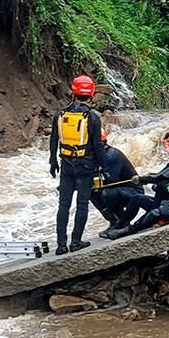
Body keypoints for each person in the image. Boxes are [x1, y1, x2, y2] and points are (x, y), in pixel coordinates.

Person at [106, 128, 169, 239]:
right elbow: (163, 176)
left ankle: (128, 231)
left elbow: (157, 177)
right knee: (137, 198)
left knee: (156, 213)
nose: (168, 148)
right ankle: (119, 226)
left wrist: (139, 179)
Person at [49, 74, 106, 255]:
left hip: (66, 165)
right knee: (82, 203)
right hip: (86, 166)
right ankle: (75, 242)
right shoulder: (92, 117)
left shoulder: (60, 114)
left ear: (74, 92)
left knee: (64, 204)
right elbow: (97, 146)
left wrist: (52, 161)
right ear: (91, 95)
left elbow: (53, 140)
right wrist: (105, 167)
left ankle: (61, 245)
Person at [88, 129, 149, 237]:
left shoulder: (112, 154)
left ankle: (123, 222)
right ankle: (113, 221)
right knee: (91, 192)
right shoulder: (97, 156)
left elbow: (111, 179)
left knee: (107, 194)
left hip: (132, 191)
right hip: (118, 189)